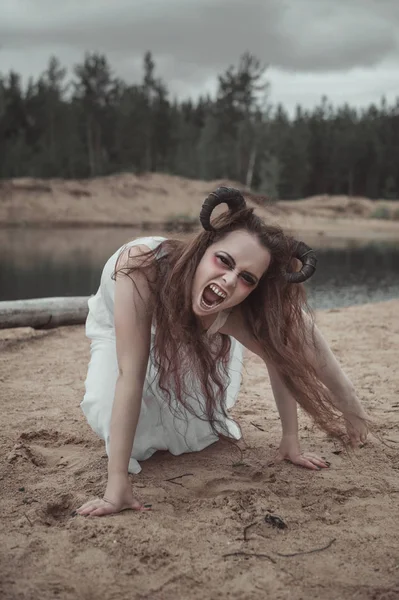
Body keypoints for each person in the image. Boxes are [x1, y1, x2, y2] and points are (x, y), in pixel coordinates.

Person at [77, 187, 369, 517]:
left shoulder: (226, 308)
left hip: (191, 326)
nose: (229, 280)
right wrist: (117, 485)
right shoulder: (139, 267)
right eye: (224, 261)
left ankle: (348, 397)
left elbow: (277, 358)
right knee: (111, 412)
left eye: (246, 278)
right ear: (204, 247)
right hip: (124, 319)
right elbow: (130, 374)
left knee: (289, 323)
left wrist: (290, 438)